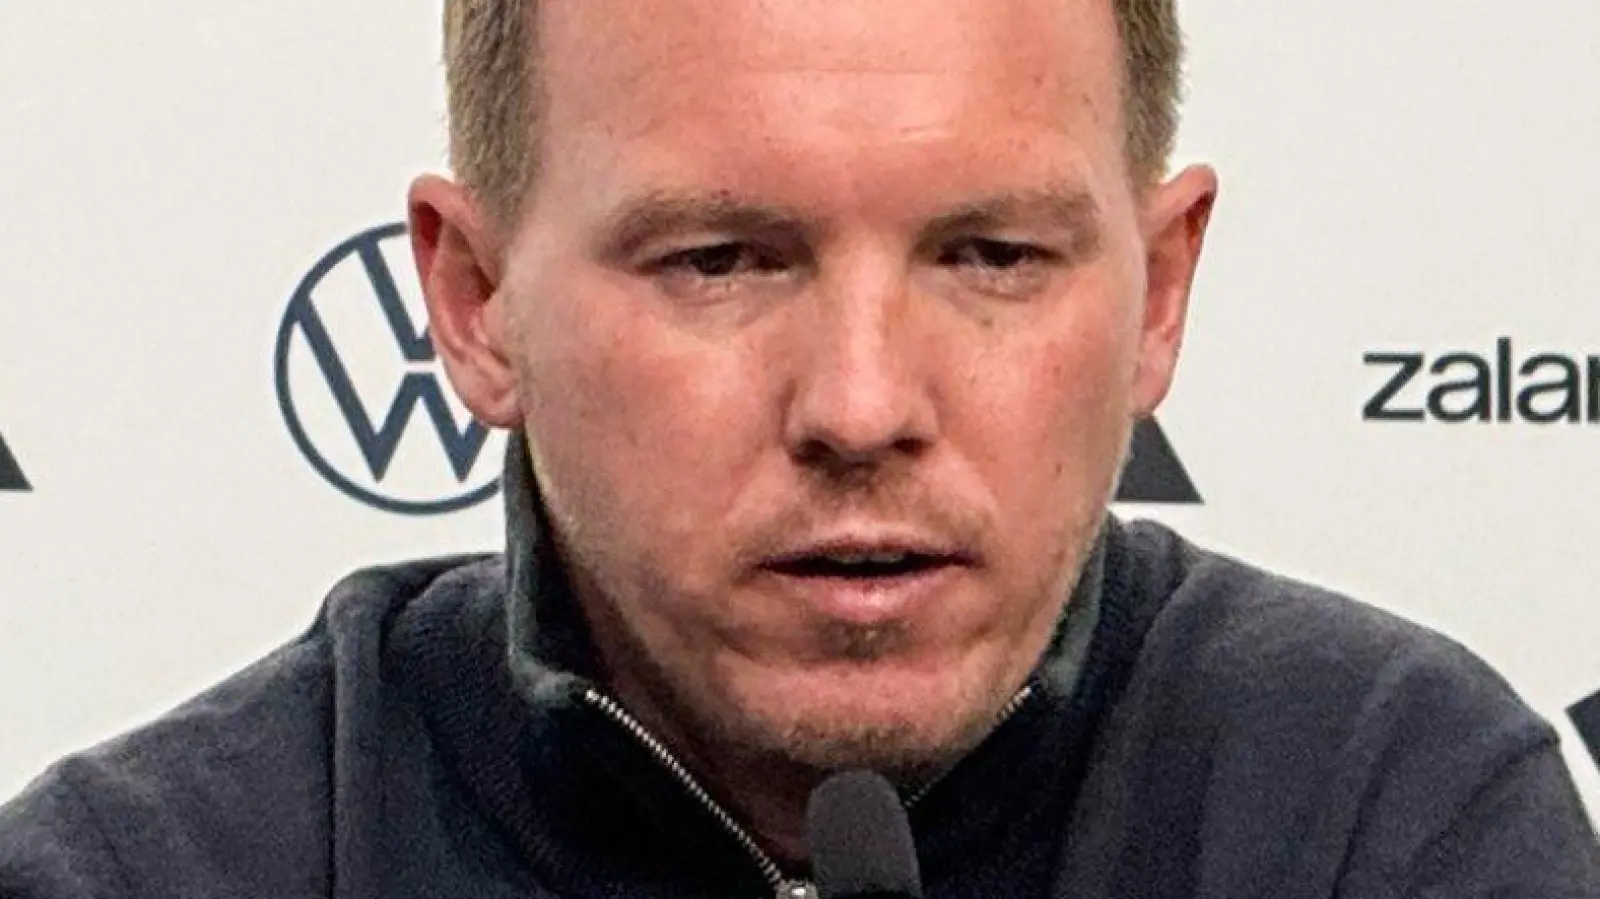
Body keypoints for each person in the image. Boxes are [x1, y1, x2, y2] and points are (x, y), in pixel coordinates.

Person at [4, 0, 1598, 896]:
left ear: (1159, 292)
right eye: (722, 262)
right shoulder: (164, 867)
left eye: (991, 257)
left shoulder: (1388, 812)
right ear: (479, 304)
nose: (859, 403)